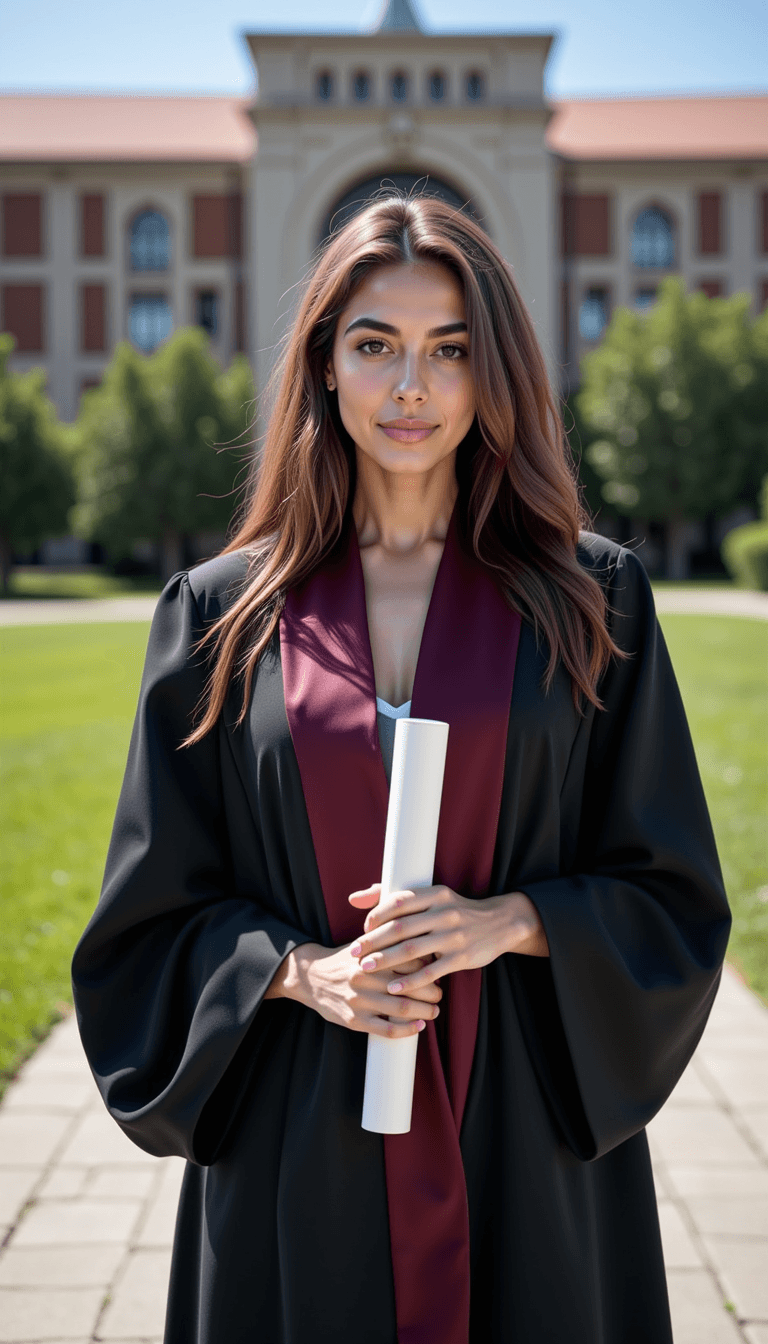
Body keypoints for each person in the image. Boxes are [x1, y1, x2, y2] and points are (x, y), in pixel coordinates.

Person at [72, 195, 730, 1344]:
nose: (411, 388)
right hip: (298, 1139)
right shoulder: (225, 618)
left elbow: (669, 894)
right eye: (375, 345)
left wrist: (512, 922)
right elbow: (148, 926)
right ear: (325, 365)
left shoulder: (590, 600)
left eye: (451, 350)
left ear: (495, 376)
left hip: (523, 1133)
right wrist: (296, 973)